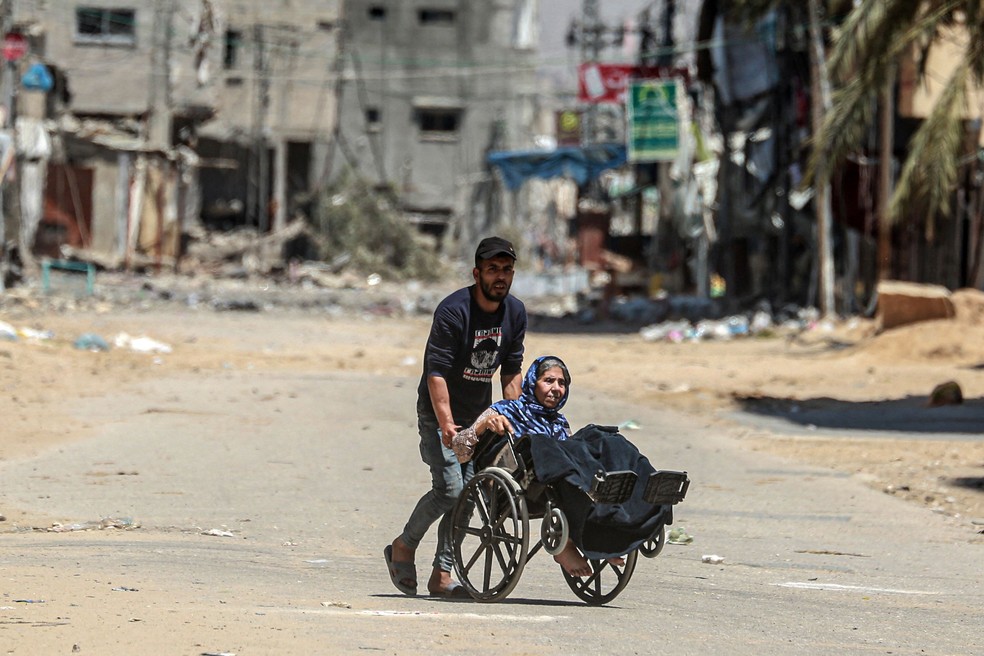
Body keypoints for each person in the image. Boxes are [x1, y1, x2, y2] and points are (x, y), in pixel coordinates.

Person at [384, 236, 527, 598]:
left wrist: (520, 418)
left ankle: (442, 574)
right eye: (493, 269)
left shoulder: (515, 313)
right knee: (450, 489)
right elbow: (436, 373)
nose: (500, 277)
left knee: (469, 493)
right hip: (438, 412)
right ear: (477, 273)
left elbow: (511, 371)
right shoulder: (454, 311)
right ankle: (403, 545)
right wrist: (447, 426)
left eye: (506, 270)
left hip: (479, 417)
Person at [451, 354, 619, 578]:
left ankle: (610, 531)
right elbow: (459, 448)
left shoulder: (559, 423)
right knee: (545, 447)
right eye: (549, 381)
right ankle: (569, 545)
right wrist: (482, 426)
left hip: (555, 486)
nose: (556, 388)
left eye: (562, 383)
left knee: (596, 443)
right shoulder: (504, 410)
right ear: (532, 382)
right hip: (515, 486)